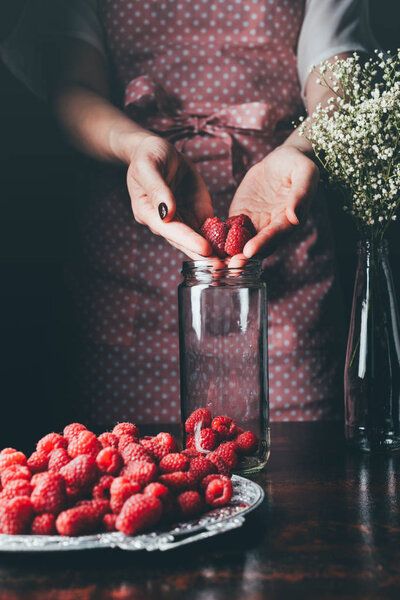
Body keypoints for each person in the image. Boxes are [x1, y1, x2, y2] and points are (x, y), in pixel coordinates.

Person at [1, 0, 374, 427]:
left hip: (282, 279)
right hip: (124, 285)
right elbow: (72, 87)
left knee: (292, 469)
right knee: (127, 476)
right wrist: (137, 147)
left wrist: (298, 149)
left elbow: (338, 79)